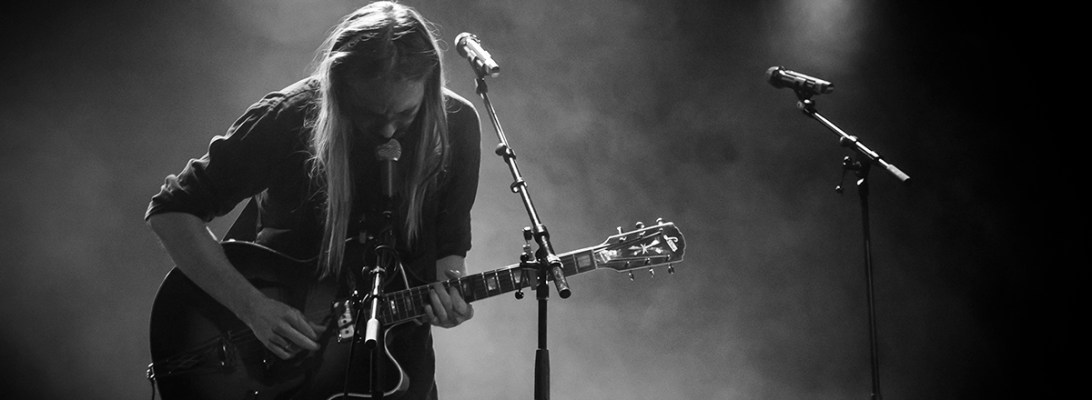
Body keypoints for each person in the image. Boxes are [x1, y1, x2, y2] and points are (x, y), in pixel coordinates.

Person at [145, 2, 480, 398]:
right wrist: (251, 307)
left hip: (400, 370)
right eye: (369, 114)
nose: (389, 128)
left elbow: (449, 256)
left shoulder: (456, 124)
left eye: (406, 114)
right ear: (339, 88)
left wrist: (450, 303)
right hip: (277, 370)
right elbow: (171, 212)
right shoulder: (289, 117)